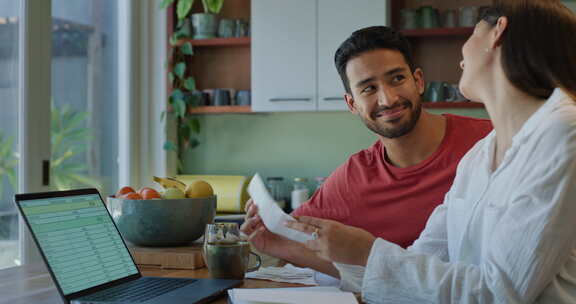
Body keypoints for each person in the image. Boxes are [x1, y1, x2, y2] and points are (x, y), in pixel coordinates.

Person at [286, 0, 576, 302]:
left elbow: (499, 293)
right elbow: (425, 260)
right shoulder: (480, 155)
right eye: (369, 88)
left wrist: (368, 252)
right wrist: (354, 257)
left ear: (497, 34)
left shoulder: (564, 132)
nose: (462, 56)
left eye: (473, 34)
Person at [241, 26, 492, 277]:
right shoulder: (353, 178)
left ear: (418, 81)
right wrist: (270, 237)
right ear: (352, 103)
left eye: (397, 79)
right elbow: (293, 234)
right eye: (368, 88)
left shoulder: (490, 139)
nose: (388, 99)